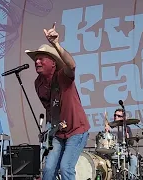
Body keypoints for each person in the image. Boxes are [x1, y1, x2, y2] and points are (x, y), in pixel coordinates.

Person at [25, 23, 90, 180]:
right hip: (58, 133)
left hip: (76, 130)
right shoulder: (38, 83)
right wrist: (48, 131)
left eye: (41, 58)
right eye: (35, 59)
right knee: (48, 170)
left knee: (66, 168)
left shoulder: (63, 76)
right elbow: (50, 109)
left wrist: (55, 43)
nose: (37, 62)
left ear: (53, 63)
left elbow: (72, 65)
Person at [105, 108, 138, 179]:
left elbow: (131, 143)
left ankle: (131, 177)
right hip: (112, 151)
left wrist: (128, 138)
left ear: (123, 118)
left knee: (134, 159)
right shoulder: (110, 127)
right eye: (115, 115)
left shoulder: (127, 128)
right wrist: (106, 132)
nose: (116, 117)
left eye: (118, 116)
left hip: (124, 152)